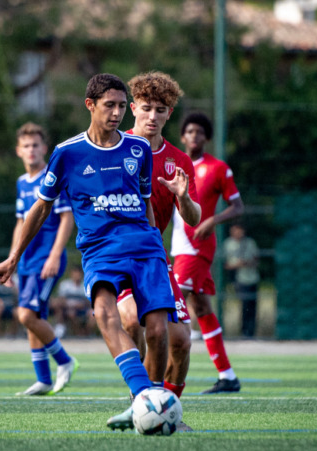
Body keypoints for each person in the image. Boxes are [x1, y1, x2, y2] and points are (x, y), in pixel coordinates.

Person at [0, 74, 173, 418]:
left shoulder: (139, 149)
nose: (117, 113)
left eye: (121, 106)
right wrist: (13, 258)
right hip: (100, 249)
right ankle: (146, 400)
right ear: (90, 105)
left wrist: (159, 248)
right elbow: (41, 207)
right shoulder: (67, 153)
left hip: (144, 247)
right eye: (110, 105)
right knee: (105, 314)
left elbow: (146, 203)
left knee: (159, 331)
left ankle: (156, 406)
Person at [107, 71, 201, 432]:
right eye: (145, 108)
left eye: (160, 109)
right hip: (118, 255)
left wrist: (183, 195)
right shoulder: (113, 150)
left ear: (169, 113)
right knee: (131, 321)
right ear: (133, 108)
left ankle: (168, 409)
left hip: (154, 257)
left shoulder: (179, 161)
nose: (152, 116)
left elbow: (192, 219)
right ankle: (141, 400)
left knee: (181, 341)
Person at [2, 121, 78, 396]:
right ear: (18, 151)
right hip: (26, 260)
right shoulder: (22, 182)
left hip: (46, 258)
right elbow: (20, 224)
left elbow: (67, 218)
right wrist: (12, 260)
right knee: (34, 316)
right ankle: (43, 379)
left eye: (36, 145)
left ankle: (65, 361)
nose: (31, 150)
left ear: (44, 148)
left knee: (26, 315)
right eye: (26, 146)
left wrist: (56, 255)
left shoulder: (52, 175)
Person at [172, 112, 245, 394]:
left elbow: (238, 207)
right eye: (190, 131)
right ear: (183, 136)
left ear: (207, 137)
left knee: (170, 301)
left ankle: (158, 379)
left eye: (200, 132)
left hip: (197, 247)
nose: (194, 135)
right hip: (179, 246)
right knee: (201, 308)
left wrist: (212, 220)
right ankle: (227, 376)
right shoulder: (175, 165)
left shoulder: (218, 168)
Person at [223, 223, 260, 338]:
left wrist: (246, 263)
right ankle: (242, 332)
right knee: (244, 305)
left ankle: (250, 332)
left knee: (252, 306)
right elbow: (223, 264)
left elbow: (256, 260)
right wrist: (236, 265)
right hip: (238, 279)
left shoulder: (250, 243)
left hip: (252, 278)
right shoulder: (227, 244)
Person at [52, 265, 95, 338]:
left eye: (78, 273)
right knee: (62, 308)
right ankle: (60, 327)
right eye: (75, 273)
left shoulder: (85, 285)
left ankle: (84, 333)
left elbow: (88, 301)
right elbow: (61, 299)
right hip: (67, 308)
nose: (77, 275)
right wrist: (71, 305)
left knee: (93, 314)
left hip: (82, 309)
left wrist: (82, 304)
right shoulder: (65, 285)